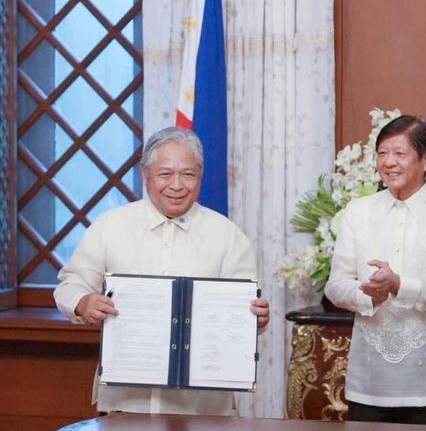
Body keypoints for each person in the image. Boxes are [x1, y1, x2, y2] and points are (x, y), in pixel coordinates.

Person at [54, 126, 270, 415]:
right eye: (165, 174)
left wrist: (253, 318)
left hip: (203, 410)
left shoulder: (228, 236)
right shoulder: (110, 226)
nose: (177, 185)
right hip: (125, 403)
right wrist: (82, 302)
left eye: (188, 174)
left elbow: (243, 313)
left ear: (200, 176)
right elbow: (71, 283)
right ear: (146, 175)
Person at [324, 115, 426, 425]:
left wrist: (399, 285)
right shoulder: (358, 212)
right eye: (382, 153)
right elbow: (335, 284)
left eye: (400, 154)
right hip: (368, 385)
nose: (389, 162)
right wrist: (369, 296)